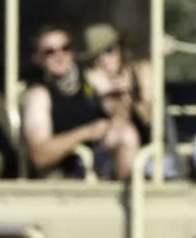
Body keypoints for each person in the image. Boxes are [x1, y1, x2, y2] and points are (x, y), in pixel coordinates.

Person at [20, 22, 140, 179]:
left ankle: (131, 195)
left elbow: (116, 106)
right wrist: (88, 132)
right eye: (50, 51)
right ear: (38, 58)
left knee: (127, 134)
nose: (59, 56)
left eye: (65, 48)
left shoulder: (89, 81)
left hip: (100, 161)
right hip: (67, 173)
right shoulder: (39, 96)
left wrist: (117, 121)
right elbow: (40, 155)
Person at [80, 22, 154, 141]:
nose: (103, 59)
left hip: (150, 148)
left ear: (121, 49)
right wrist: (101, 92)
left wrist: (129, 93)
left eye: (109, 50)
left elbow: (152, 119)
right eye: (96, 55)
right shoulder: (89, 82)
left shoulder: (142, 72)